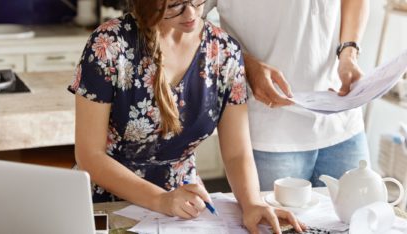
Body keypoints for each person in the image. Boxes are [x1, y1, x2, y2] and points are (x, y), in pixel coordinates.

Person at [68, 0, 304, 232]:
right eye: (175, 5)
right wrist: (161, 200)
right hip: (107, 201)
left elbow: (236, 152)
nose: (191, 13)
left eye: (197, 0)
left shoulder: (225, 52)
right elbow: (90, 155)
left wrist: (252, 203)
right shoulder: (108, 45)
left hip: (186, 205)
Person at [203, 0, 371, 191]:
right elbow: (187, 18)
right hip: (270, 132)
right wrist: (246, 65)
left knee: (361, 217)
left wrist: (349, 52)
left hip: (342, 122)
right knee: (277, 220)